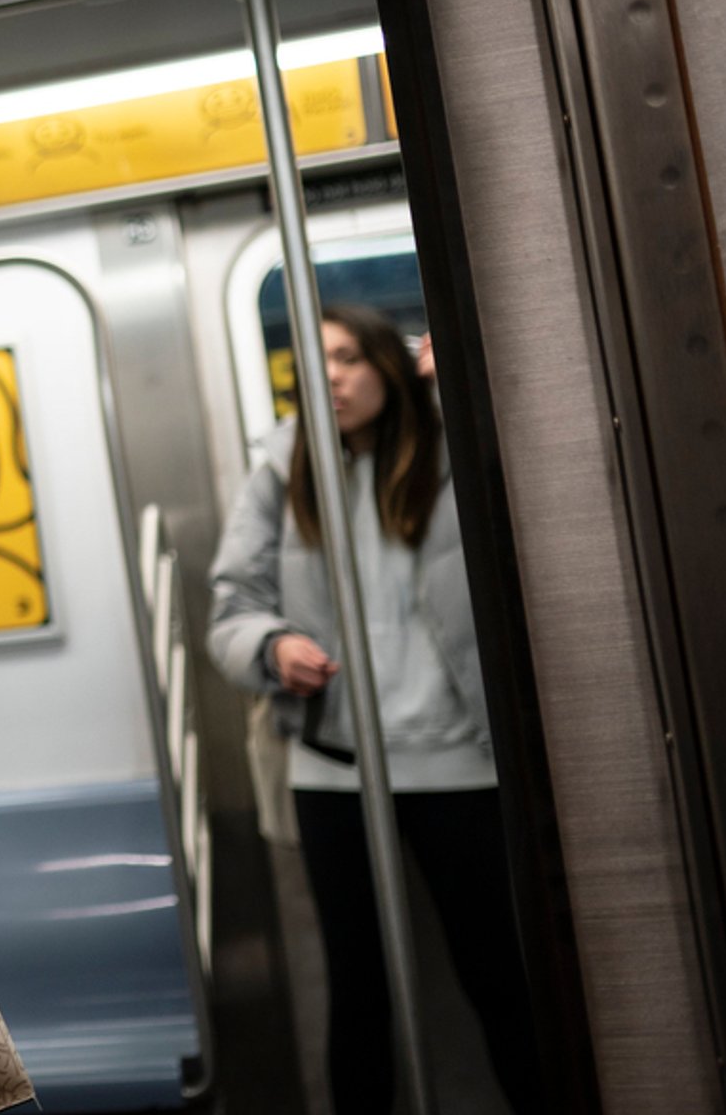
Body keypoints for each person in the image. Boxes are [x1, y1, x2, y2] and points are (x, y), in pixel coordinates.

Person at [207, 305, 542, 1114]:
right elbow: (232, 605)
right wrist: (273, 646)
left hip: (458, 760)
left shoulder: (449, 442)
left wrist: (456, 384)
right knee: (356, 989)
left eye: (351, 357)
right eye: (314, 361)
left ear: (389, 366)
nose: (331, 377)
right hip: (335, 769)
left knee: (500, 974)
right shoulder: (284, 466)